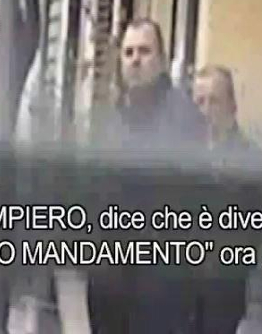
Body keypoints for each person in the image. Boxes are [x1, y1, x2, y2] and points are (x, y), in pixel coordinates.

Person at [88, 17, 206, 334]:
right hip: (112, 282)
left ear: (162, 60)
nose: (135, 60)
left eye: (144, 51)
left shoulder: (184, 119)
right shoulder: (112, 119)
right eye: (128, 53)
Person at [193, 65, 262, 334]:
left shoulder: (250, 159)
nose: (205, 110)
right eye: (199, 102)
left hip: (223, 287)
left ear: (232, 105)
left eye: (213, 101)